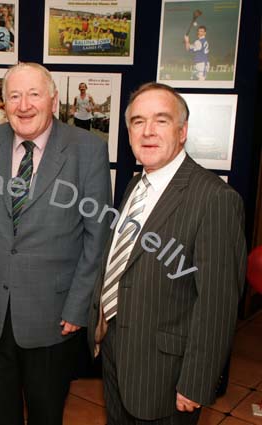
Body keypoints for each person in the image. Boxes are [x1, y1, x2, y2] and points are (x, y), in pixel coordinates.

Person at [0, 62, 111, 425]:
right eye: (14, 95)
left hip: (54, 318)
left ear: (54, 100)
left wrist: (77, 307)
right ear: (4, 102)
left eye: (33, 94)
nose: (23, 105)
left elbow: (97, 237)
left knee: (46, 412)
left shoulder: (88, 150)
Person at [88, 82, 246, 425]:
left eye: (161, 120)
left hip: (167, 372)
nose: (147, 131)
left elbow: (217, 303)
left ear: (183, 130)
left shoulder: (215, 199)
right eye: (138, 121)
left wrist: (196, 381)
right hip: (118, 352)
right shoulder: (134, 185)